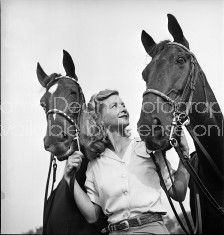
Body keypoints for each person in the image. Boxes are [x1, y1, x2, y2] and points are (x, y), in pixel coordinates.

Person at [64, 89, 190, 234]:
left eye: (123, 104)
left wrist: (184, 154)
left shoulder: (149, 148)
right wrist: (69, 179)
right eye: (114, 106)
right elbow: (92, 216)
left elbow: (178, 193)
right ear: (99, 118)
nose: (123, 108)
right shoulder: (94, 166)